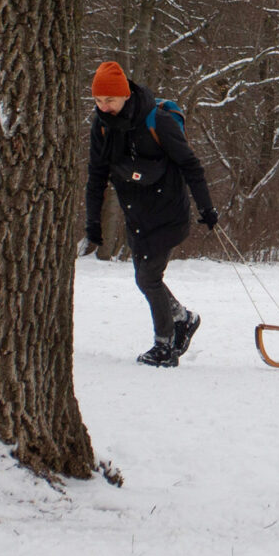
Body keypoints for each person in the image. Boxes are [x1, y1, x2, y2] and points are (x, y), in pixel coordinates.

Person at [84, 61, 217, 367]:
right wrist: (93, 222)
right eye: (99, 100)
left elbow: (190, 165)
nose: (105, 106)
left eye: (110, 100)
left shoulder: (157, 121)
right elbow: (96, 175)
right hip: (137, 215)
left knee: (148, 276)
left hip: (169, 213)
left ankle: (165, 345)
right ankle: (183, 319)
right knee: (144, 279)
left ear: (125, 96)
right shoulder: (102, 126)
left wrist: (206, 207)